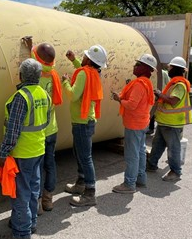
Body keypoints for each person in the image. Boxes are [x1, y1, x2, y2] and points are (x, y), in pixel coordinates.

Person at [0, 59, 51, 239]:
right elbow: (46, 121)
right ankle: (31, 221)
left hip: (22, 152)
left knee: (20, 193)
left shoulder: (22, 97)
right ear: (39, 75)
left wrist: (2, 153)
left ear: (20, 75)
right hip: (38, 149)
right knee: (34, 187)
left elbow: (13, 131)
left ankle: (22, 232)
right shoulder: (43, 94)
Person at [62, 45, 108, 206]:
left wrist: (65, 82)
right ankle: (81, 184)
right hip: (87, 120)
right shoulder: (94, 73)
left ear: (89, 59)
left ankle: (90, 193)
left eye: (85, 56)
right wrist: (74, 60)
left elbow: (73, 95)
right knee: (80, 153)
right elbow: (82, 72)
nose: (83, 57)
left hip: (82, 122)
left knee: (85, 157)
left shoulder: (83, 73)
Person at [22, 37, 62, 213]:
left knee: (36, 167)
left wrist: (30, 48)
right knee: (50, 164)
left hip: (36, 131)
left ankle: (36, 203)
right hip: (51, 128)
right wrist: (34, 49)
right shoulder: (53, 73)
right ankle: (48, 200)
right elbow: (43, 58)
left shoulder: (35, 74)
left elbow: (31, 63)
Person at [111, 54, 156, 193]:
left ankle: (129, 184)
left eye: (138, 64)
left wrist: (119, 99)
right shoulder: (147, 83)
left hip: (134, 124)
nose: (134, 66)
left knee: (132, 154)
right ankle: (141, 180)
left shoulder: (139, 84)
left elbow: (131, 105)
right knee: (141, 151)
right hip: (142, 122)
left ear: (145, 68)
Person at [146, 56, 192, 181]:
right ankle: (151, 164)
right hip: (164, 122)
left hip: (172, 124)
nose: (168, 69)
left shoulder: (180, 85)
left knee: (173, 149)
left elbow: (173, 101)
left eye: (170, 67)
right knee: (157, 145)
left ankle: (175, 172)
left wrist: (160, 94)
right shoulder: (174, 83)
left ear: (176, 69)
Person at [147, 66, 170, 135]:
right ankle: (153, 128)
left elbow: (168, 83)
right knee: (154, 111)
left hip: (160, 94)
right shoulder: (162, 73)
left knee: (154, 111)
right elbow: (168, 83)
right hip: (158, 94)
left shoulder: (162, 73)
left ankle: (152, 128)